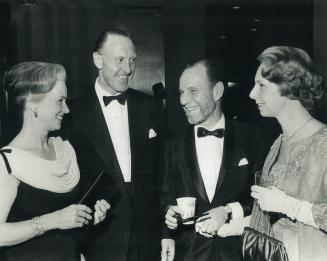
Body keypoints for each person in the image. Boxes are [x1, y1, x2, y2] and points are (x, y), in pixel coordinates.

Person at [64, 28, 164, 261]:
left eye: (132, 60)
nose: (128, 69)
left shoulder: (151, 107)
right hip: (99, 241)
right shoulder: (72, 113)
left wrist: (166, 233)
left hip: (148, 239)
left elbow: (162, 175)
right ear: (97, 60)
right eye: (119, 60)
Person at [0, 62, 110, 261]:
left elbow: (68, 220)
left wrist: (89, 217)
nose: (66, 109)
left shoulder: (64, 148)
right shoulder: (7, 161)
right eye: (59, 101)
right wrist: (52, 220)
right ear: (34, 105)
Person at [159, 59, 264, 261]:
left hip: (239, 252)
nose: (183, 100)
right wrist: (169, 212)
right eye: (181, 92)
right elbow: (164, 195)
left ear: (217, 91)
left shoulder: (251, 138)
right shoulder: (172, 144)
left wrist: (229, 211)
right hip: (189, 253)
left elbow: (261, 200)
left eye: (192, 91)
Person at [248, 46, 327, 261]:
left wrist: (290, 206)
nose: (252, 93)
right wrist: (230, 224)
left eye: (261, 86)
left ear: (289, 88)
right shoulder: (279, 142)